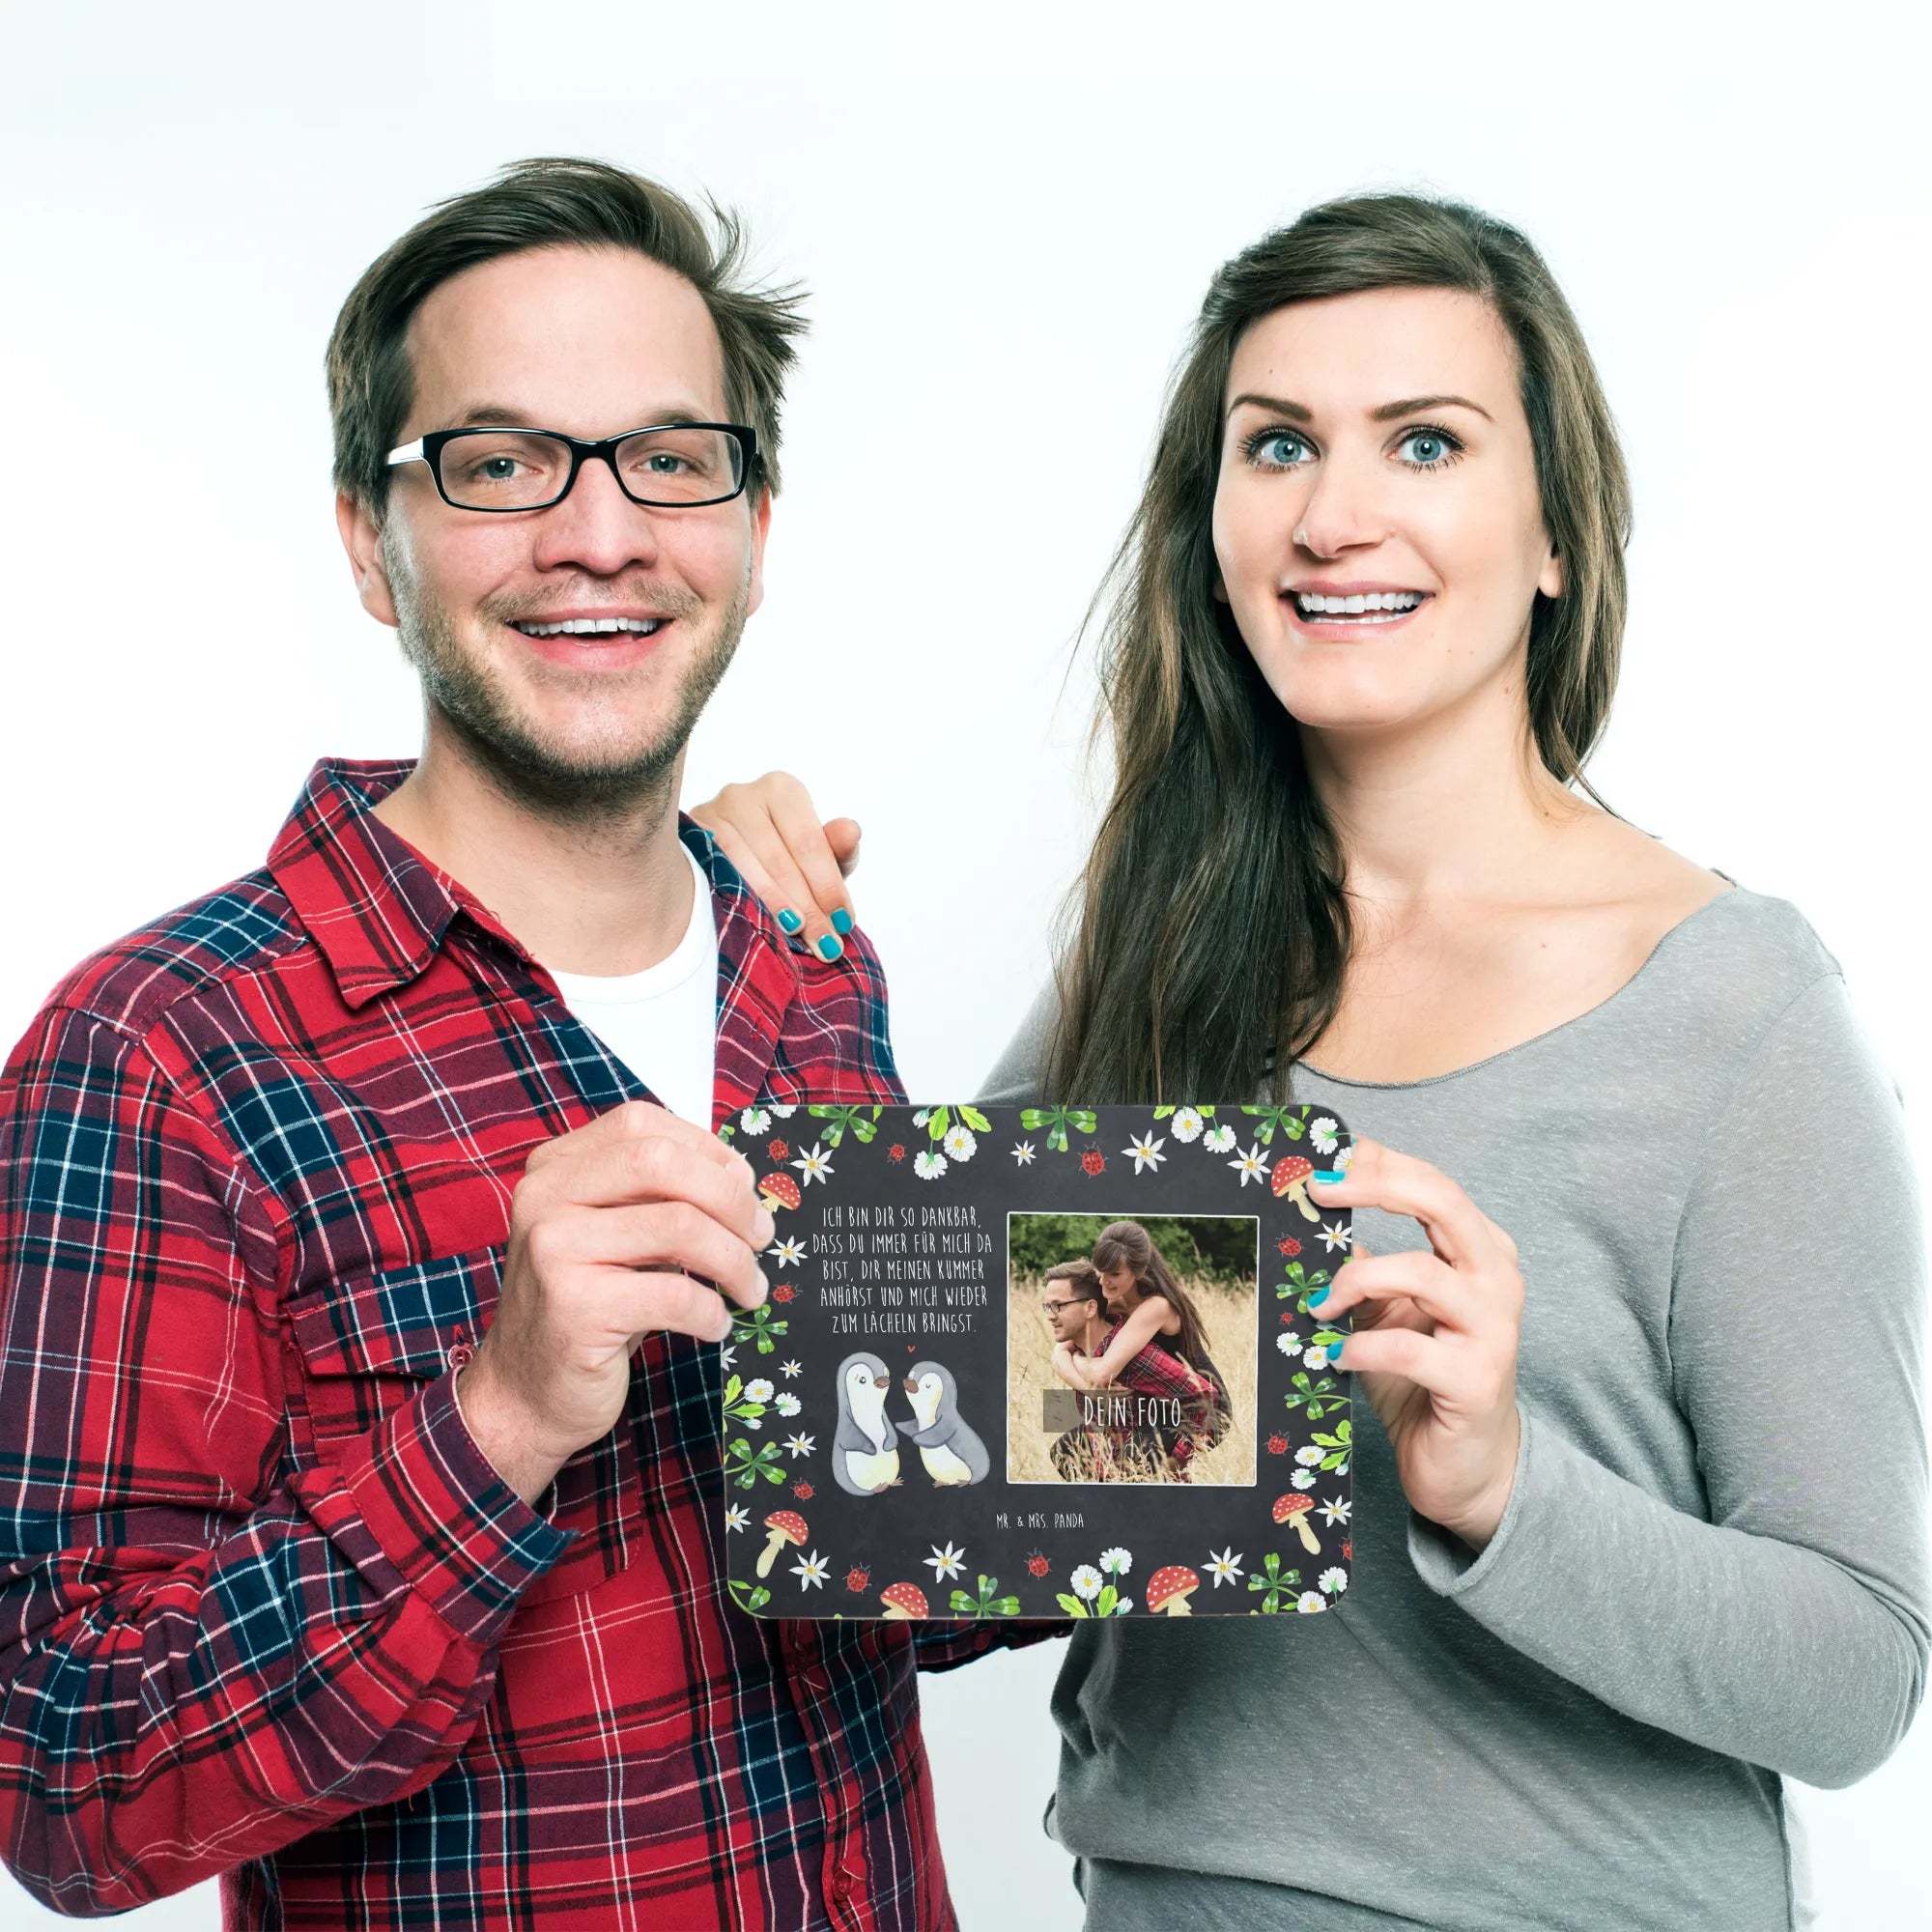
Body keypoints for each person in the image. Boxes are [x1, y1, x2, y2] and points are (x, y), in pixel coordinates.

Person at [692, 192, 1929, 1928]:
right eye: (1277, 444)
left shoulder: (1736, 1012)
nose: (1334, 516)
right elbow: (886, 1434)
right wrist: (728, 931)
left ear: (1556, 533)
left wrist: (1502, 1488)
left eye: (1425, 441)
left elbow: (1857, 1675)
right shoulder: (1157, 946)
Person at [0, 157, 1037, 1930]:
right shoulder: (160, 1056)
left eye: (671, 459)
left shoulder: (808, 961)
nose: (601, 535)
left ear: (754, 528)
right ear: (370, 541)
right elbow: (66, 1789)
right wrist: (494, 1425)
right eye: (500, 465)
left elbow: (892, 1578)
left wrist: (1240, 1392)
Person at [1039, 1258, 1214, 1482]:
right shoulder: (1079, 1352)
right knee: (1063, 1452)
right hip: (1114, 1460)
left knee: (1133, 1457)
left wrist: (1177, 1461)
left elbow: (1205, 1398)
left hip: (1146, 1470)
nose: (1050, 1315)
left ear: (1090, 1308)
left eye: (1059, 1306)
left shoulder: (1134, 1357)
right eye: (1047, 1306)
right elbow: (1059, 1355)